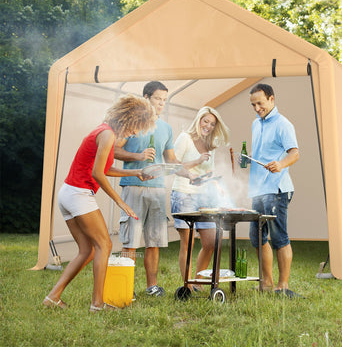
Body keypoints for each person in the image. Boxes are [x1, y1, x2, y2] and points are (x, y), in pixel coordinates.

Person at [43, 95, 156, 312]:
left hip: (67, 193)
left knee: (87, 250)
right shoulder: (108, 135)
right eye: (136, 128)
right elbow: (97, 173)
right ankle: (97, 304)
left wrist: (136, 172)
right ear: (129, 119)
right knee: (105, 245)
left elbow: (102, 168)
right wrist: (120, 201)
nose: (134, 133)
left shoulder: (102, 130)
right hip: (78, 194)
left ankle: (53, 296)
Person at [115, 81, 190, 297]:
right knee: (130, 241)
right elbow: (113, 150)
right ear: (146, 97)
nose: (161, 104)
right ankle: (126, 288)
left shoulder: (166, 128)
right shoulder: (131, 123)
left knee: (154, 241)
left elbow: (172, 160)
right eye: (158, 99)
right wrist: (138, 156)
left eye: (164, 100)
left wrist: (191, 175)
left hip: (157, 190)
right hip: (133, 187)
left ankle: (152, 287)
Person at [246, 83, 301, 298]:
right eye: (253, 104)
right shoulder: (255, 123)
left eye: (260, 103)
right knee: (257, 238)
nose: (257, 108)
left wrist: (280, 164)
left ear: (271, 99)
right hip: (258, 191)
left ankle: (283, 285)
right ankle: (266, 282)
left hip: (276, 190)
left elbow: (294, 153)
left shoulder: (283, 124)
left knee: (279, 238)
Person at [170, 106, 230, 291]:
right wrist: (197, 161)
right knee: (188, 243)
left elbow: (208, 172)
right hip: (183, 194)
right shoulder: (185, 138)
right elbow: (173, 165)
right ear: (198, 120)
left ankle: (197, 282)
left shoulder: (210, 145)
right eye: (206, 121)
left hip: (204, 197)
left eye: (212, 124)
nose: (208, 126)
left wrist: (217, 185)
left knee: (212, 242)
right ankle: (187, 286)